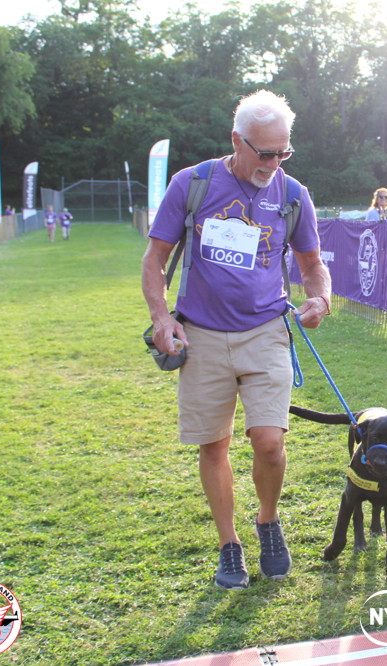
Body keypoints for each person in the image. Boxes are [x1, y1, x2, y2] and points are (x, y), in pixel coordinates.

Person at [141, 89, 331, 590]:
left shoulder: (293, 195)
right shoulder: (193, 183)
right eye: (264, 152)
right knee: (214, 445)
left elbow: (313, 265)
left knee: (269, 442)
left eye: (283, 152)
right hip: (201, 334)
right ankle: (229, 544)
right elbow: (155, 259)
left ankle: (268, 519)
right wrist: (161, 317)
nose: (273, 163)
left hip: (266, 330)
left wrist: (321, 299)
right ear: (236, 140)